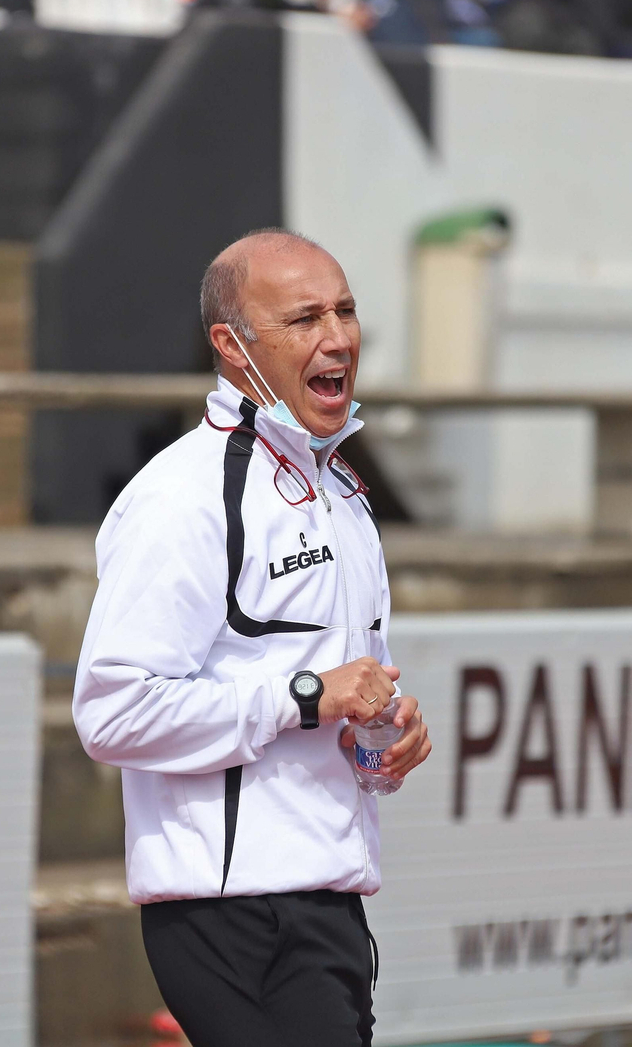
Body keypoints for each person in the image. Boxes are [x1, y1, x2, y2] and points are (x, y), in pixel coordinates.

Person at [73, 229, 433, 1047]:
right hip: (232, 917)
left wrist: (384, 740)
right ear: (233, 347)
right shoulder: (182, 497)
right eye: (304, 318)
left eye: (345, 310)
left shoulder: (342, 491)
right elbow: (111, 712)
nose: (338, 336)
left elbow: (343, 709)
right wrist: (308, 696)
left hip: (330, 904)